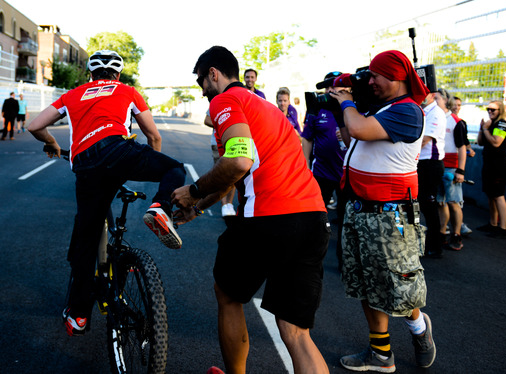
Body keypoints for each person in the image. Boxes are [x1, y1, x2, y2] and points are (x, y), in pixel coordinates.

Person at [172, 46, 330, 374]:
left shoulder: (226, 100)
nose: (202, 92)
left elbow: (238, 161)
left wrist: (192, 190)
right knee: (297, 333)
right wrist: (199, 207)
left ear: (213, 73)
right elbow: (240, 173)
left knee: (228, 295)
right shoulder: (267, 107)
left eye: (202, 81)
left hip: (269, 217)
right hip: (313, 218)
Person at [28, 50, 186, 336]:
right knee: (174, 169)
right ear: (117, 74)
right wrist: (147, 166)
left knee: (86, 240)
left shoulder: (73, 95)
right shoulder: (126, 91)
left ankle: (78, 316)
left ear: (90, 74)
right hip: (119, 153)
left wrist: (52, 142)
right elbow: (154, 136)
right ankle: (159, 209)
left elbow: (34, 125)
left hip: (86, 165)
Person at [329, 50, 435, 372]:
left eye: (376, 75)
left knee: (399, 286)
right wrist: (344, 110)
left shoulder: (408, 111)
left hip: (391, 215)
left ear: (397, 76)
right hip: (361, 209)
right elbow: (354, 139)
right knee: (367, 285)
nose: (370, 81)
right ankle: (381, 355)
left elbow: (359, 130)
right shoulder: (382, 109)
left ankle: (419, 328)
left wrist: (346, 101)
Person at [301, 70, 348, 269]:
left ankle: (344, 261)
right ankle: (310, 257)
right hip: (321, 173)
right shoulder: (317, 107)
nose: (330, 90)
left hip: (348, 175)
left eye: (334, 85)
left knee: (346, 220)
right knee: (316, 217)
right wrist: (303, 168)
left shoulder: (353, 108)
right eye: (328, 86)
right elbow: (307, 138)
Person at [436, 89, 469, 251]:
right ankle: (442, 233)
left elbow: (462, 147)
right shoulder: (432, 117)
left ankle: (456, 234)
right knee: (440, 201)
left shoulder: (456, 121)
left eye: (436, 98)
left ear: (444, 100)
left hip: (451, 167)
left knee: (453, 202)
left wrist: (461, 170)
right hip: (437, 165)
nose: (433, 100)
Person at [476, 100, 506, 238]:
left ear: (500, 111)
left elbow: (496, 142)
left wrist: (485, 130)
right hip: (489, 164)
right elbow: (479, 142)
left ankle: (503, 228)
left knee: (498, 195)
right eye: (488, 109)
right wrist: (481, 128)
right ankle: (493, 223)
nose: (490, 112)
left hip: (499, 165)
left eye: (493, 110)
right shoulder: (490, 124)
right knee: (491, 194)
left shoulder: (501, 124)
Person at [419, 91, 446, 258]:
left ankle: (435, 246)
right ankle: (425, 243)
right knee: (420, 206)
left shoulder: (436, 113)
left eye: (424, 92)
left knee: (429, 206)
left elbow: (423, 141)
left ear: (432, 94)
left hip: (430, 164)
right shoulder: (422, 111)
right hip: (420, 164)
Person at [204, 110, 236, 217]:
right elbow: (207, 120)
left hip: (233, 142)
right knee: (221, 175)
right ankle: (224, 204)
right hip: (217, 143)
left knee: (234, 174)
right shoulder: (216, 101)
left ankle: (229, 204)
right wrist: (224, 123)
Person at [451, 95, 474, 236]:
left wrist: (469, 150)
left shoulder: (461, 123)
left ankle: (459, 227)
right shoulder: (445, 119)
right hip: (444, 164)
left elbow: (464, 143)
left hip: (455, 165)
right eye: (455, 104)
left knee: (455, 200)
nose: (456, 107)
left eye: (459, 105)